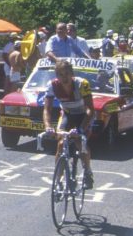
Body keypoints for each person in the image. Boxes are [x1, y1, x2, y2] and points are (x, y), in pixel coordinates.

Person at [42, 60, 95, 190]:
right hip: (67, 114)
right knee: (60, 144)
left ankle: (88, 172)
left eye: (66, 74)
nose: (64, 77)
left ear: (72, 74)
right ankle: (58, 181)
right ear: (56, 76)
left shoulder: (82, 84)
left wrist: (81, 128)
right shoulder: (52, 85)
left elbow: (90, 110)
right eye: (60, 74)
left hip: (84, 115)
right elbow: (47, 109)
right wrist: (48, 126)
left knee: (79, 143)